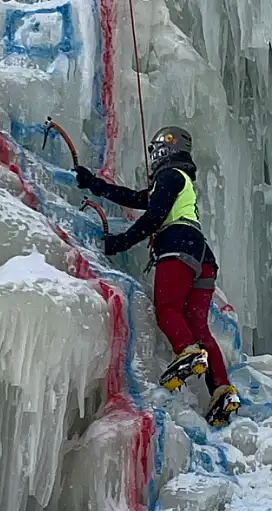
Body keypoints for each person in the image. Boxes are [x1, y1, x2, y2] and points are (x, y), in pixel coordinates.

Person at [74, 126, 240, 427]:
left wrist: (121, 242)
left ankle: (187, 352)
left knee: (167, 310)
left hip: (178, 245)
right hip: (202, 258)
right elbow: (139, 198)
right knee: (199, 326)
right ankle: (222, 391)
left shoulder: (171, 175)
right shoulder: (180, 180)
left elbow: (154, 216)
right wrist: (95, 185)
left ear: (166, 149)